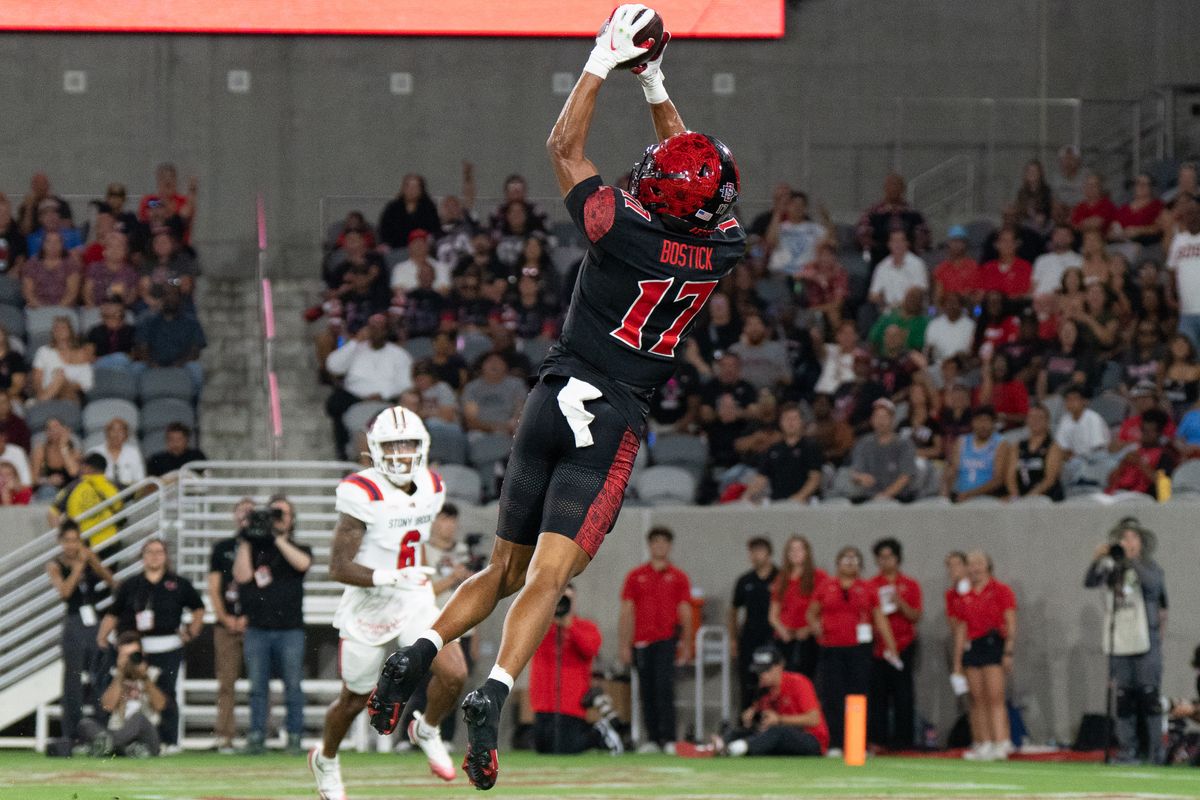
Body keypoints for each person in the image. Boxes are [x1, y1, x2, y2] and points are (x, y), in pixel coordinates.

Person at [367, 15, 744, 788]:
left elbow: (564, 149)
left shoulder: (623, 227)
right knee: (547, 579)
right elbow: (691, 165)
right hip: (610, 418)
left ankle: (418, 646)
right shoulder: (722, 246)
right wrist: (657, 82)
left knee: (502, 568)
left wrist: (607, 62)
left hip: (550, 395)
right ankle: (495, 689)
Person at [311, 408, 468, 798]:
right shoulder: (361, 492)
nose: (400, 454)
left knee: (454, 673)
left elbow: (410, 544)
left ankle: (426, 728)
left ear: (423, 447)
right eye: (392, 445)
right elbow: (338, 566)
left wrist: (412, 578)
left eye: (408, 444)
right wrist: (385, 576)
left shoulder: (433, 486)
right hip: (369, 601)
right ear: (375, 451)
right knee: (354, 699)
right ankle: (326, 758)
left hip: (412, 595)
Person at [96, 538, 204, 754]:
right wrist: (102, 636)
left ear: (166, 556)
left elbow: (198, 608)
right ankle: (114, 734)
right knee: (121, 686)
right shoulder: (131, 584)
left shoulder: (178, 583)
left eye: (159, 551)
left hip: (167, 646)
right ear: (142, 557)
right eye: (149, 552)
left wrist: (191, 631)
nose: (154, 556)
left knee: (166, 693)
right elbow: (114, 612)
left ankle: (169, 739)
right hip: (134, 645)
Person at [232, 495, 312, 754]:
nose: (277, 518)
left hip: (290, 628)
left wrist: (278, 536)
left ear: (291, 520)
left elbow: (303, 564)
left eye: (282, 514)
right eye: (273, 514)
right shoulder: (255, 549)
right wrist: (246, 535)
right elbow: (241, 576)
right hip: (257, 628)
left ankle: (294, 737)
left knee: (293, 686)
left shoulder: (299, 547)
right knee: (257, 687)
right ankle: (256, 736)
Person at [1084, 518, 1167, 764]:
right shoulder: (1113, 568)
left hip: (1146, 640)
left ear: (1141, 543)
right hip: (1120, 640)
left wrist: (1131, 560)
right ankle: (1127, 749)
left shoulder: (1150, 567)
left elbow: (1154, 586)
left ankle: (1155, 752)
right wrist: (1098, 559)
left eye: (1133, 538)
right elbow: (1090, 582)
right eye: (1124, 538)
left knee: (1149, 697)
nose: (1127, 542)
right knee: (1124, 699)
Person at [806, 546, 899, 756]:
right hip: (831, 648)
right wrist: (816, 629)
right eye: (845, 559)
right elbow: (811, 613)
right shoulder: (826, 586)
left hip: (858, 649)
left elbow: (880, 618)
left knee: (858, 696)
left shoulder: (867, 588)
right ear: (838, 563)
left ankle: (857, 743)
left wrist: (891, 645)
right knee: (833, 696)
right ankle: (836, 743)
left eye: (854, 559)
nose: (850, 563)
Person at [619, 527, 694, 753]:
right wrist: (624, 644)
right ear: (649, 546)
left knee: (664, 688)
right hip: (642, 640)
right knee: (647, 690)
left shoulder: (678, 577)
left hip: (666, 639)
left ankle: (669, 738)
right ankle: (652, 739)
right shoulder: (635, 576)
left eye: (664, 542)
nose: (659, 546)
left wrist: (688, 644)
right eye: (655, 542)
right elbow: (627, 611)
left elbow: (686, 611)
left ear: (669, 546)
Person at [47, 519, 117, 744]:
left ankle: (99, 729)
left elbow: (110, 581)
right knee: (73, 679)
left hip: (94, 620)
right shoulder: (55, 564)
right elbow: (65, 592)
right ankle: (71, 733)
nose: (71, 545)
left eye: (75, 540)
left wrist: (92, 561)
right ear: (60, 542)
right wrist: (78, 567)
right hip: (74, 621)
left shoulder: (88, 557)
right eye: (67, 541)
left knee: (100, 674)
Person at [954, 551, 1018, 761]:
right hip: (973, 646)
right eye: (971, 564)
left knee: (995, 696)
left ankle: (1002, 741)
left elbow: (1010, 621)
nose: (975, 568)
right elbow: (962, 628)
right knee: (976, 698)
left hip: (993, 643)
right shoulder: (965, 596)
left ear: (988, 566)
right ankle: (984, 742)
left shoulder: (1001, 590)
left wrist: (1008, 650)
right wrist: (958, 661)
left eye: (979, 563)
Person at [711, 645, 829, 757]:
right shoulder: (763, 691)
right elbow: (762, 726)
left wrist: (779, 719)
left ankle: (734, 749)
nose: (762, 675)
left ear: (779, 667)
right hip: (782, 742)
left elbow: (814, 719)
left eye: (766, 670)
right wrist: (752, 719)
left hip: (811, 740)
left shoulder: (798, 682)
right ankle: (718, 746)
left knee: (778, 732)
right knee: (739, 733)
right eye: (759, 671)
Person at [324, 313, 413, 458]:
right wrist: (355, 342)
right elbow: (333, 366)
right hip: (355, 396)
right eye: (373, 328)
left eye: (380, 328)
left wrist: (382, 395)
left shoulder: (399, 355)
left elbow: (406, 383)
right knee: (335, 403)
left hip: (386, 398)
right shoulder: (356, 348)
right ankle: (344, 453)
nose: (376, 332)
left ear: (386, 331)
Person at [529, 583, 605, 753]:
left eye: (567, 599)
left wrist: (569, 626)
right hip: (543, 701)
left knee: (567, 749)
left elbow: (590, 650)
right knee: (543, 749)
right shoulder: (541, 625)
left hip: (570, 701)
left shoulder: (586, 627)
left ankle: (599, 734)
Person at [866, 538, 923, 750]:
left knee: (903, 695)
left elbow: (916, 615)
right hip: (878, 648)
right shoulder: (871, 585)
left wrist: (900, 603)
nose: (885, 561)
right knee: (878, 696)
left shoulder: (910, 584)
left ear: (897, 558)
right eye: (881, 557)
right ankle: (879, 740)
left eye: (889, 556)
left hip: (904, 645)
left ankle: (904, 741)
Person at [207, 498, 253, 754]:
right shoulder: (222, 547)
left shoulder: (263, 546)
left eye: (250, 511)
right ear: (235, 516)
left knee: (260, 682)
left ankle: (260, 734)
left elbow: (263, 588)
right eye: (241, 510)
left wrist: (249, 617)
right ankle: (225, 735)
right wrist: (225, 618)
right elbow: (214, 587)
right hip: (226, 624)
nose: (245, 515)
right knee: (226, 682)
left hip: (255, 625)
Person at [75, 632, 168, 758]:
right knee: (85, 724)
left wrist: (144, 678)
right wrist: (120, 675)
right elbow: (107, 706)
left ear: (142, 655)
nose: (130, 660)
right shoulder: (112, 676)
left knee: (138, 718)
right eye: (125, 656)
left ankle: (108, 746)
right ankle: (126, 750)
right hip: (116, 730)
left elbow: (161, 706)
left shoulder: (154, 674)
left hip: (146, 736)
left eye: (133, 655)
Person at [729, 537, 779, 708]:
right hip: (750, 637)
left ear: (769, 553)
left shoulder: (779, 578)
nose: (757, 556)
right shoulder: (745, 581)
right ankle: (747, 720)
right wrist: (733, 639)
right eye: (753, 552)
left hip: (772, 637)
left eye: (760, 551)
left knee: (770, 680)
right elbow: (734, 609)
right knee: (748, 680)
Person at [767, 535, 827, 680]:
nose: (795, 553)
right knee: (784, 679)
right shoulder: (782, 578)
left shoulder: (819, 576)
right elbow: (773, 614)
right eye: (791, 550)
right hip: (785, 637)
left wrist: (808, 629)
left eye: (799, 549)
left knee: (806, 679)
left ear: (807, 552)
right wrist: (782, 630)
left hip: (808, 638)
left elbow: (826, 610)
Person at [744, 404, 823, 504]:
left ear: (801, 422)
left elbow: (815, 478)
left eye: (794, 418)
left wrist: (798, 498)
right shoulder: (772, 450)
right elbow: (761, 478)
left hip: (805, 504)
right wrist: (746, 497)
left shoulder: (811, 447)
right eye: (787, 419)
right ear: (781, 423)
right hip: (778, 503)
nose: (790, 423)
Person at [848, 399, 917, 503]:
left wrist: (884, 497)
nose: (880, 421)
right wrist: (860, 477)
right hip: (868, 499)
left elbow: (906, 476)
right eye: (877, 417)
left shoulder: (905, 444)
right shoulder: (863, 443)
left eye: (884, 417)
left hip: (899, 499)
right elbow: (855, 472)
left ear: (893, 419)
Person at [49, 453, 122, 547]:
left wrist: (63, 537)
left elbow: (52, 513)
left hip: (84, 546)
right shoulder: (115, 485)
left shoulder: (73, 487)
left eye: (82, 465)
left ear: (87, 468)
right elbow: (140, 491)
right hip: (112, 541)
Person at [944, 406, 1010, 502]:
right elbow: (953, 469)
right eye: (979, 421)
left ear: (993, 423)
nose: (983, 425)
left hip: (987, 497)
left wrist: (971, 494)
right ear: (973, 423)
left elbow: (998, 479)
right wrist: (945, 492)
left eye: (987, 421)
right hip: (960, 495)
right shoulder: (962, 441)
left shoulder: (1000, 443)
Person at [1006, 404, 1065, 501]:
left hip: (1046, 497)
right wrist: (1015, 496)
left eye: (1040, 417)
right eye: (1032, 417)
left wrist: (1028, 499)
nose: (1035, 421)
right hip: (1020, 496)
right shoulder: (1017, 446)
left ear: (1047, 421)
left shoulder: (1054, 447)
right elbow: (1010, 476)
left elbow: (1050, 479)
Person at [1168, 192, 1200, 348]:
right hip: (1186, 312)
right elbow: (1171, 271)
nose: (1191, 217)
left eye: (1195, 213)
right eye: (1188, 214)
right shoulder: (1178, 241)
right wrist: (1169, 296)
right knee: (1190, 356)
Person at [87, 418, 145, 488]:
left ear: (126, 435)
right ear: (107, 433)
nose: (116, 434)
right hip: (101, 493)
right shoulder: (94, 452)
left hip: (129, 493)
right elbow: (88, 480)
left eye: (121, 431)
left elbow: (140, 480)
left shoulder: (134, 452)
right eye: (113, 430)